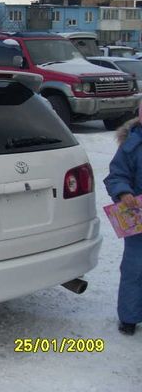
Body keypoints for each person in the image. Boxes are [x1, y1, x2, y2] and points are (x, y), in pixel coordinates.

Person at [104, 110, 142, 335]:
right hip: (138, 220)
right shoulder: (131, 145)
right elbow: (116, 175)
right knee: (134, 269)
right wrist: (123, 193)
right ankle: (129, 317)